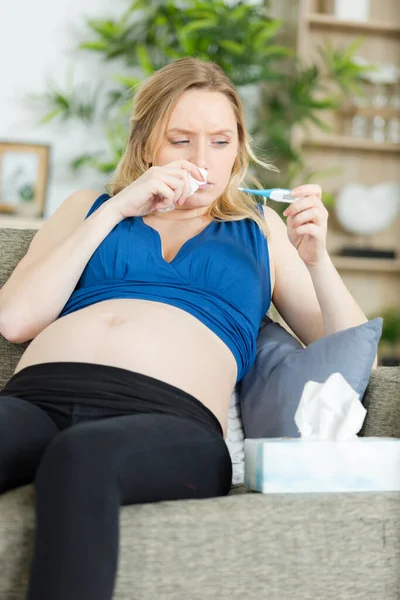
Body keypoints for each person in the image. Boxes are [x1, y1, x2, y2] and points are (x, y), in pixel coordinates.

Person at [0, 57, 372, 600]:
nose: (203, 161)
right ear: (148, 142)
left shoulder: (261, 229)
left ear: (238, 147)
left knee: (84, 457)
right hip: (38, 398)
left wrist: (318, 261)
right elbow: (15, 320)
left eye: (220, 142)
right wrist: (116, 209)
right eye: (181, 140)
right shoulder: (88, 208)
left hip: (168, 421)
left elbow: (348, 356)